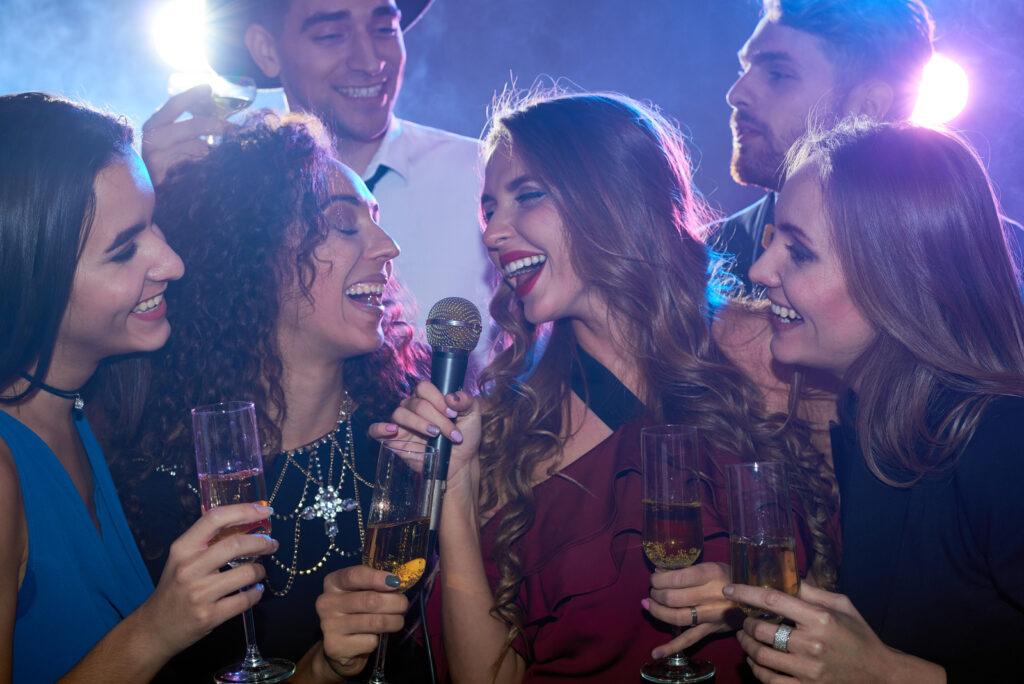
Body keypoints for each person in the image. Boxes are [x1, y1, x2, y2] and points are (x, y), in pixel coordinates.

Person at [366, 91, 840, 683]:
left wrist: (753, 599)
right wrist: (456, 494)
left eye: (527, 196)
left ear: (614, 196)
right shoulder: (510, 424)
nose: (493, 232)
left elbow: (854, 601)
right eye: (489, 209)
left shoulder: (776, 356)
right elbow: (489, 677)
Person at [102, 110, 431, 683]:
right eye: (344, 223)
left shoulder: (406, 442)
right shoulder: (159, 474)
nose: (389, 246)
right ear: (256, 256)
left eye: (375, 220)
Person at [728, 119, 1024, 682]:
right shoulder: (869, 424)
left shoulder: (1004, 441)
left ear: (898, 278)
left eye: (800, 251)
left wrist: (889, 676)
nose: (760, 270)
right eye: (772, 242)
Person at [0, 92, 277, 683]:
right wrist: (157, 629)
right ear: (30, 275)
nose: (171, 262)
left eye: (155, 225)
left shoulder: (77, 415)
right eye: (126, 249)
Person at [143, 0, 493, 338]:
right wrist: (164, 215)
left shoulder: (483, 177)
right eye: (331, 35)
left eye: (385, 29)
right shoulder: (234, 208)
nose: (370, 62)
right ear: (266, 49)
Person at [711, 0, 935, 289]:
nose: (736, 94)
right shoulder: (707, 257)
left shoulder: (967, 257)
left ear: (867, 108)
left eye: (778, 74)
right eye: (744, 70)